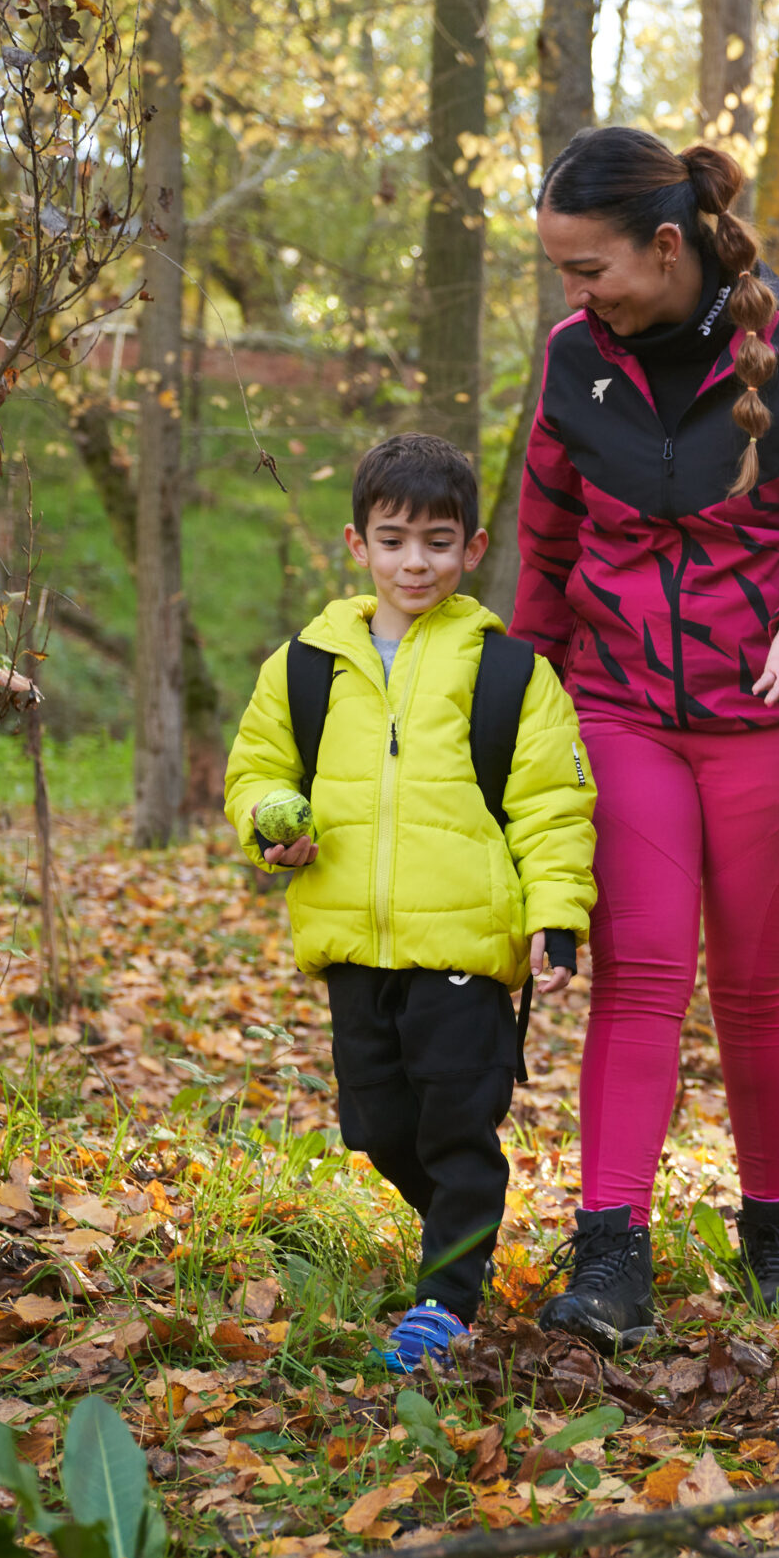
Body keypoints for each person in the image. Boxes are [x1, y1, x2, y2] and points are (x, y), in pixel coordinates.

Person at [513, 127, 779, 1351]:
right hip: (620, 707)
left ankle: (773, 1229)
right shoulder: (575, 364)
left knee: (753, 984)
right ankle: (611, 1250)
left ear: (666, 246)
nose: (576, 296)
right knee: (638, 978)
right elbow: (546, 552)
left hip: (773, 719)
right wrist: (517, 719)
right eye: (563, 274)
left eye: (589, 269)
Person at [224, 433, 597, 1371]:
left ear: (473, 549)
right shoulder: (307, 665)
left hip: (467, 949)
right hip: (353, 941)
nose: (414, 561)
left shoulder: (510, 672)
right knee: (379, 1127)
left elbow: (552, 805)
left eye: (438, 540)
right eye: (394, 540)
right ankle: (462, 1235)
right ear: (358, 546)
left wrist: (557, 919)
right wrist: (272, 826)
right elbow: (258, 769)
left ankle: (446, 1301)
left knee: (458, 1126)